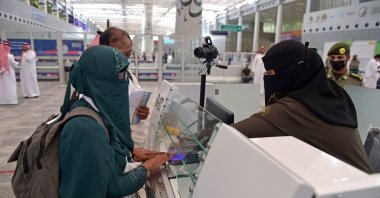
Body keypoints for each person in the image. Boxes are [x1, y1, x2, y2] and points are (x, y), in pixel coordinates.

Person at [231, 40, 373, 174]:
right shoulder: (333, 92)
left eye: (270, 74)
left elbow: (230, 133)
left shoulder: (291, 110)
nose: (267, 79)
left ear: (291, 73)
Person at [59, 45, 169, 197]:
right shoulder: (87, 130)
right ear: (97, 82)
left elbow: (103, 159)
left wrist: (131, 154)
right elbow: (112, 188)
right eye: (119, 77)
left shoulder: (93, 106)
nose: (124, 84)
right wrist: (149, 166)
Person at [99, 27, 150, 121]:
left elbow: (138, 101)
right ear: (104, 52)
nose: (126, 60)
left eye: (129, 54)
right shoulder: (90, 81)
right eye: (120, 54)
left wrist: (142, 112)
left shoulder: (129, 76)